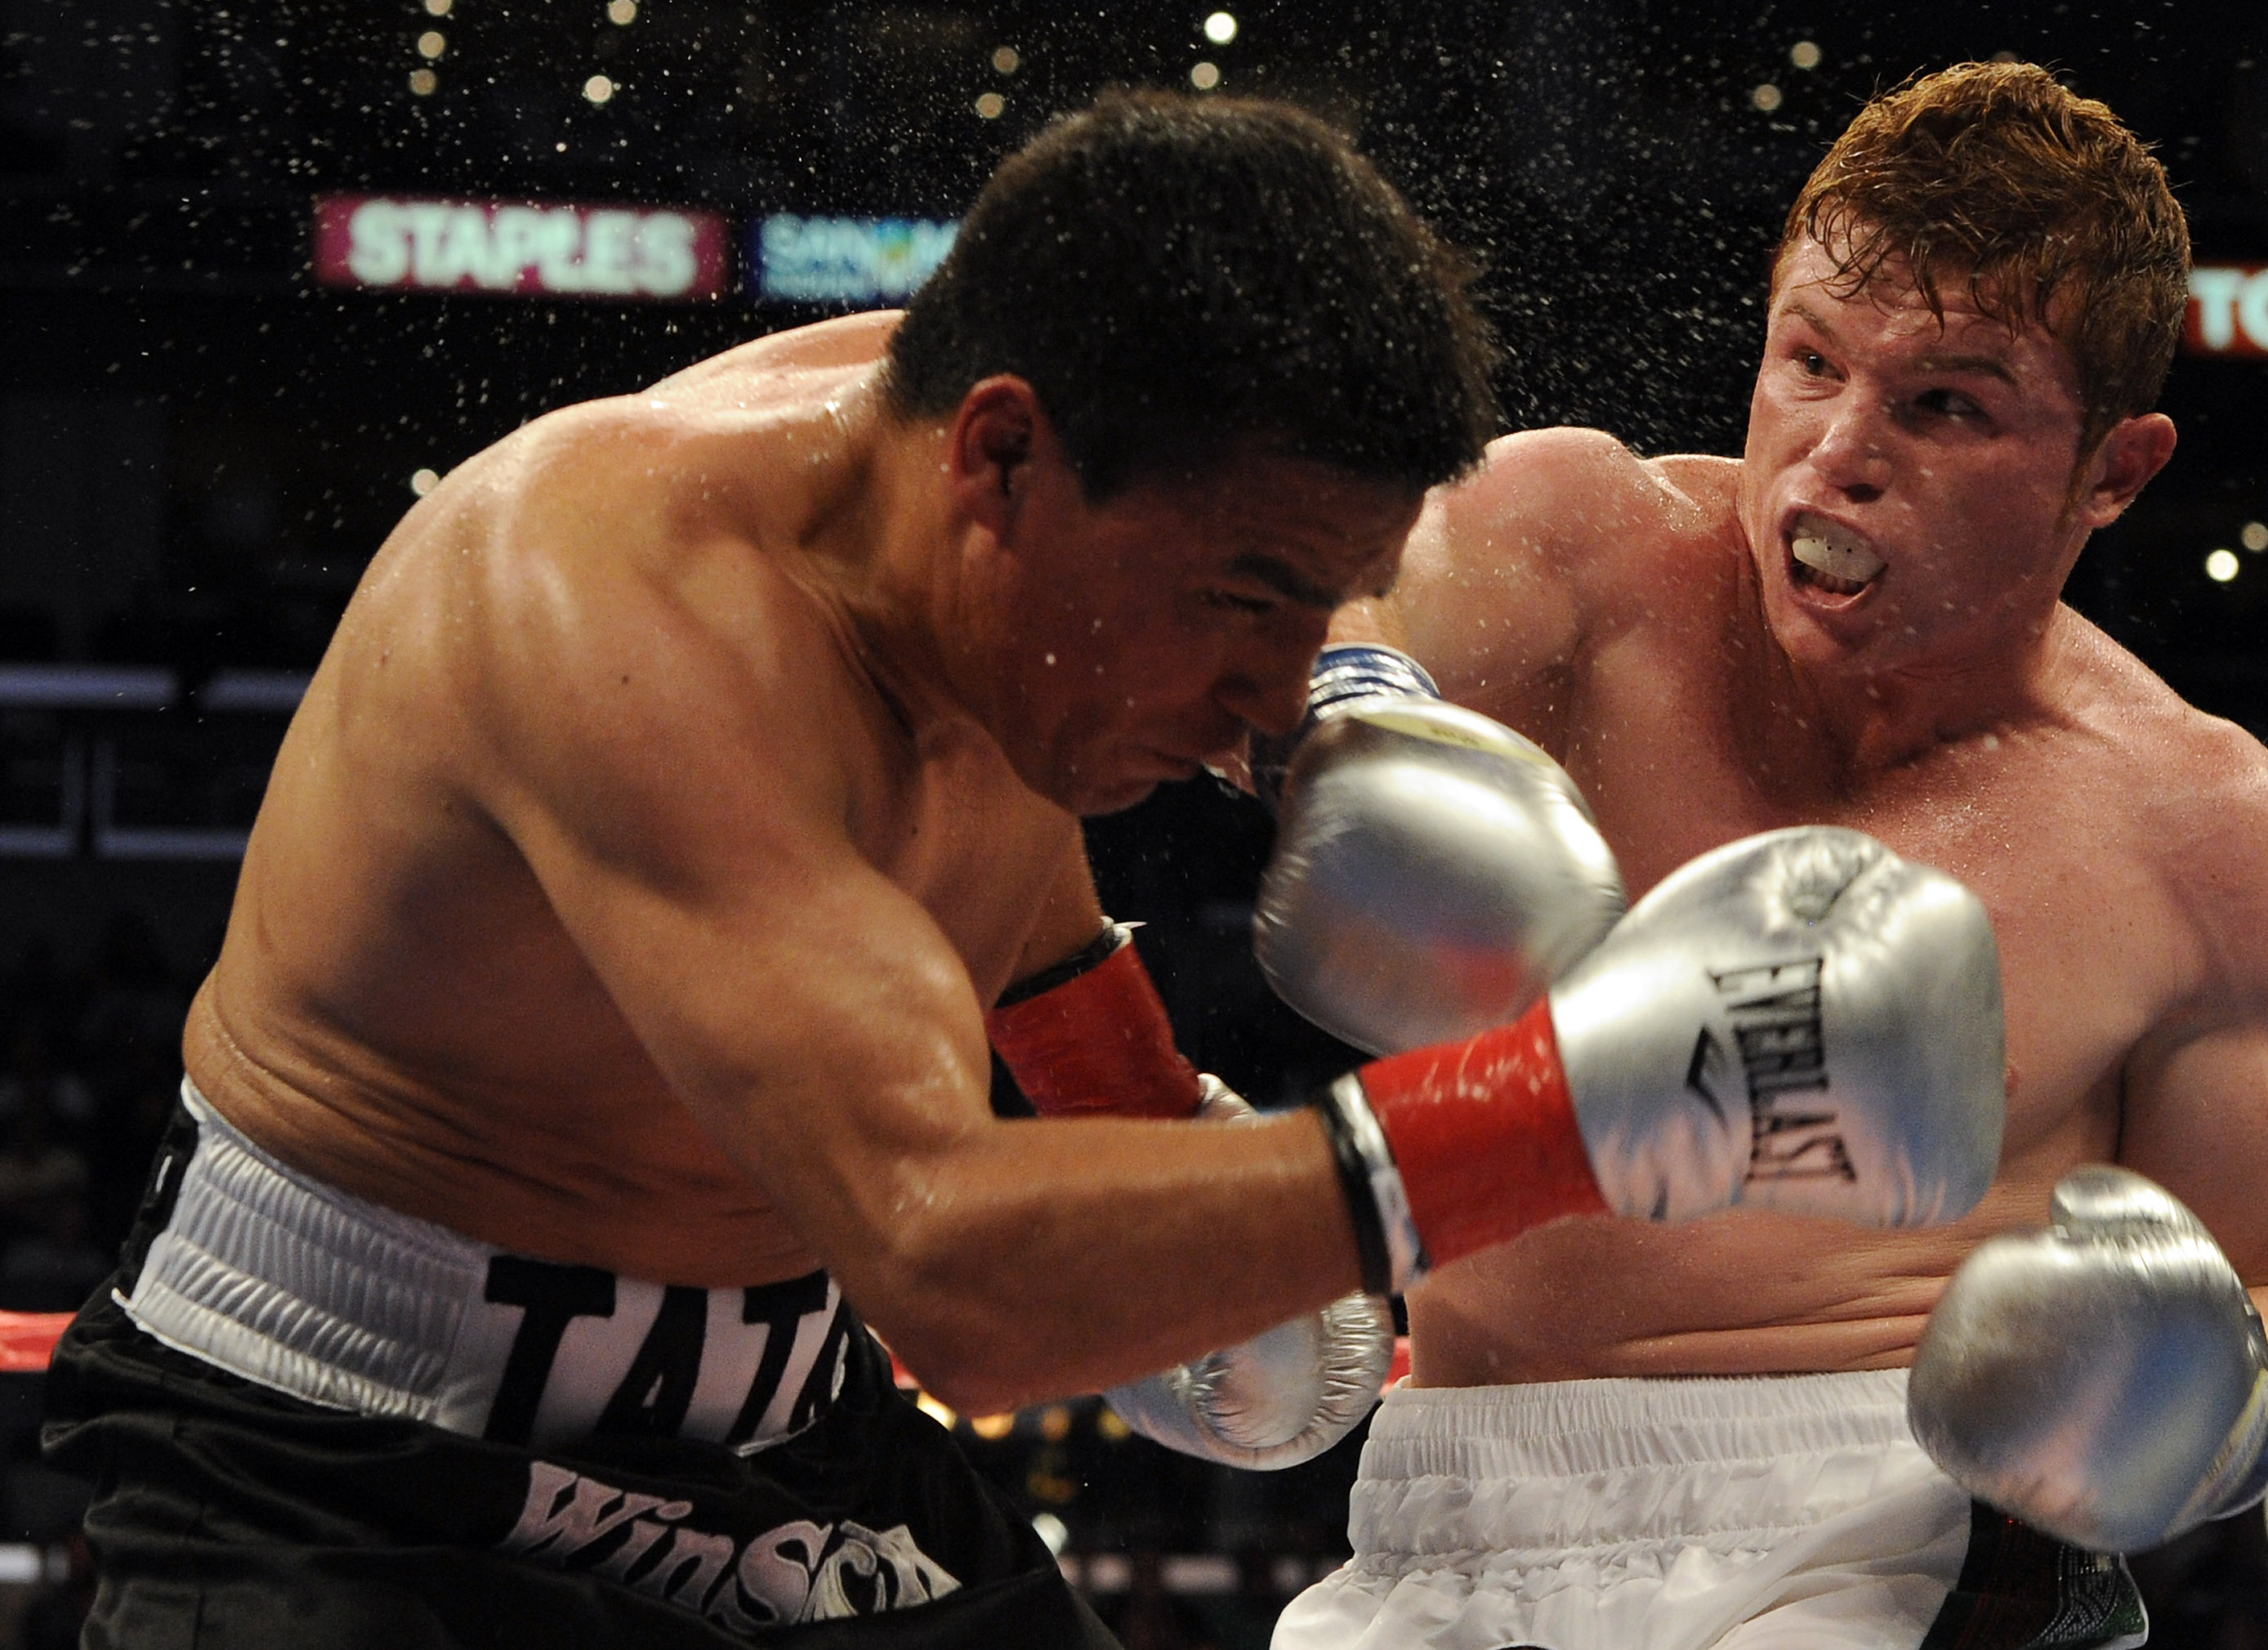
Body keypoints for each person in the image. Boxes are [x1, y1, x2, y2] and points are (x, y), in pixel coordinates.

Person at [38, 89, 2008, 1649]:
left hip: (779, 1431)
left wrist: (1194, 1193)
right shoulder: (618, 602)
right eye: (1246, 597)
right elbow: (950, 1270)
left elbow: (1045, 1016)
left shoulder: (1015, 605)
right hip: (339, 1450)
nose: (1266, 711)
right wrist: (1560, 1111)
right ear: (998, 461)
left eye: (1315, 609)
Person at [1266, 62, 2268, 1648]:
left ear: (2113, 471)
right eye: (1809, 361)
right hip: (1450, 1510)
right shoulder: (1577, 551)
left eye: (1944, 405)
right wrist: (1349, 712)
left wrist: (2218, 1412)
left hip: (1909, 1527)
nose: (1834, 453)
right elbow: (1332, 598)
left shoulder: (2191, 819)